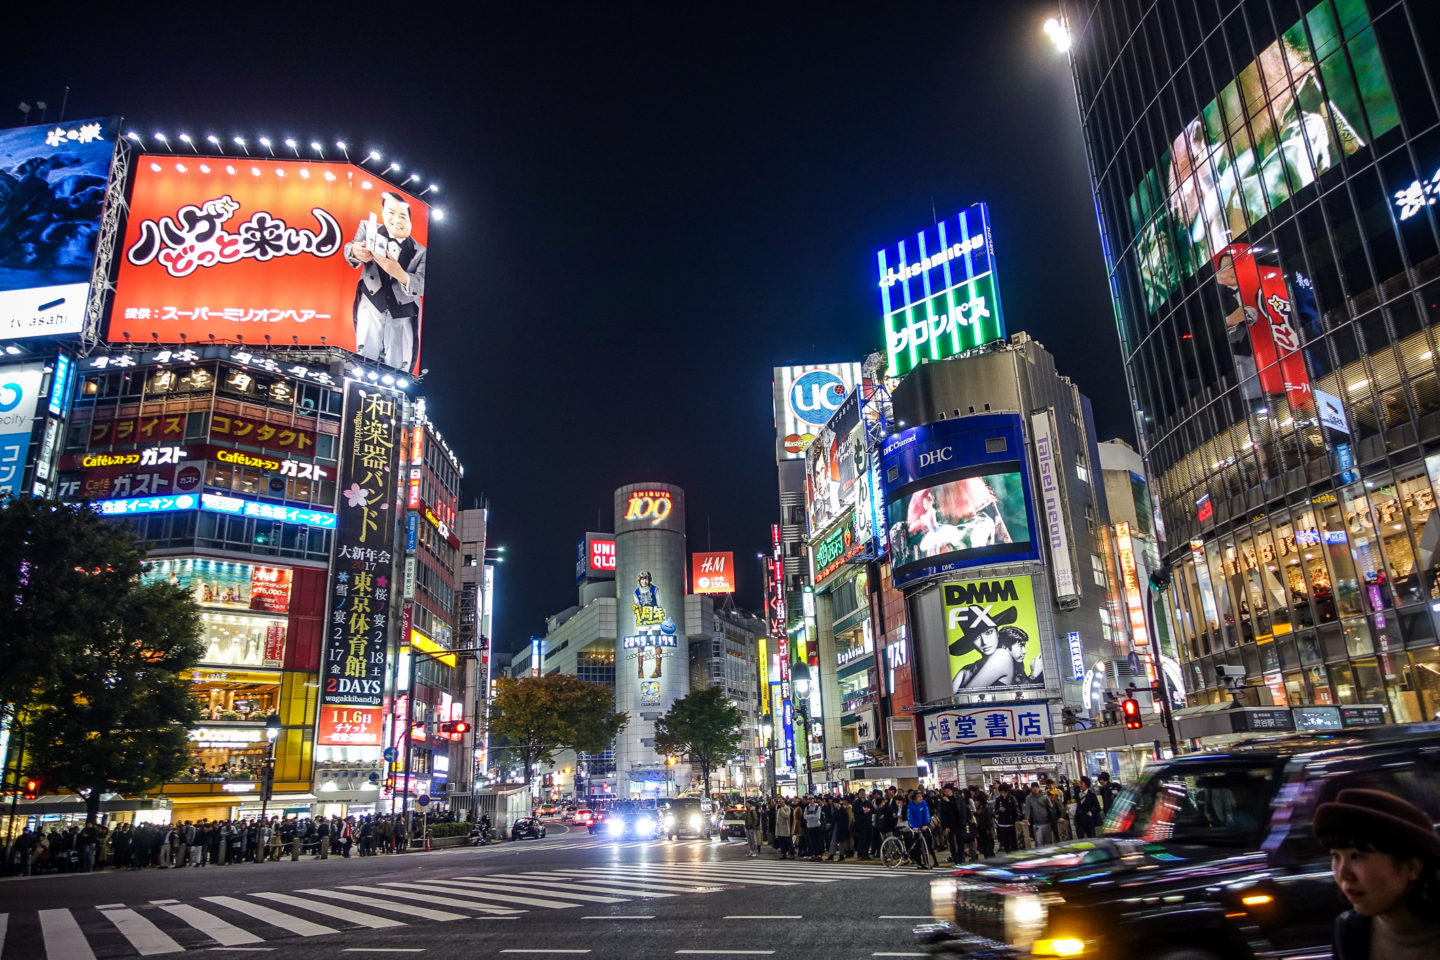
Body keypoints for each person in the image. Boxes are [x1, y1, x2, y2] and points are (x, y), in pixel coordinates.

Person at [1313, 788, 1440, 960]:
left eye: (1356, 856)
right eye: (1336, 856)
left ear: (1411, 868)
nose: (1343, 874)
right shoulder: (1350, 932)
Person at [345, 191, 426, 372]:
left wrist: (400, 274)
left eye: (402, 216)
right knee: (363, 357)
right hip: (371, 300)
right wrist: (356, 252)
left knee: (398, 366)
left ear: (410, 222)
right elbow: (349, 248)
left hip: (403, 311)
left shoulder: (420, 250)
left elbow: (422, 284)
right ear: (382, 211)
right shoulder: (368, 228)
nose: (396, 219)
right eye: (391, 213)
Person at [905, 790, 934, 869]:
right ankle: (919, 862)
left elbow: (926, 813)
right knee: (917, 846)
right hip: (916, 828)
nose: (920, 798)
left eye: (921, 796)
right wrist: (912, 827)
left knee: (927, 844)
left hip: (923, 826)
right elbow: (909, 817)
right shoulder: (911, 805)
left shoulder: (924, 803)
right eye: (918, 796)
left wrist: (926, 824)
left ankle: (927, 861)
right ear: (914, 798)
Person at [1024, 782, 1055, 848]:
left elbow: (1051, 808)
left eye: (1036, 787)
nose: (1035, 789)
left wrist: (1053, 820)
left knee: (1049, 842)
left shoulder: (1045, 797)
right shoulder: (1029, 798)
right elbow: (1027, 810)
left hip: (1047, 822)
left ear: (1039, 788)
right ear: (1031, 789)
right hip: (1036, 824)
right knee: (1038, 843)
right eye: (1033, 788)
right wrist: (1027, 819)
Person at [994, 782, 1020, 853]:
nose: (1003, 794)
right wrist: (999, 810)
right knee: (1006, 844)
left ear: (1007, 791)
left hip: (1011, 824)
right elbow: (995, 811)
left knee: (1013, 844)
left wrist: (1016, 820)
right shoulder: (998, 799)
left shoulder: (1011, 798)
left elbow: (1016, 810)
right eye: (1001, 792)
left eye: (1004, 792)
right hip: (1002, 824)